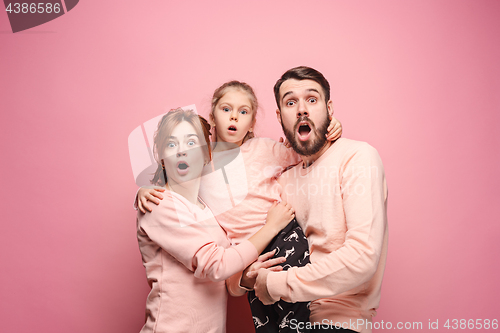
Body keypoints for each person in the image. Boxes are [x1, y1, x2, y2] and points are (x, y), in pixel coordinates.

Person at [136, 81, 343, 332]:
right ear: (212, 118)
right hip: (242, 260)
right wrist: (143, 190)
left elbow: (306, 152)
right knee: (268, 320)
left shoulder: (259, 153)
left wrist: (326, 128)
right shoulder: (185, 184)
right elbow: (217, 263)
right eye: (226, 109)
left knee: (303, 310)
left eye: (243, 112)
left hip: (280, 239)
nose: (234, 116)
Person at [248, 66, 388, 333]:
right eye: (291, 102)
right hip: (282, 322)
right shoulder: (282, 179)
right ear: (280, 117)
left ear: (329, 108)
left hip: (338, 321)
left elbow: (363, 256)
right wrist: (249, 277)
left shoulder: (358, 158)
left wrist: (276, 285)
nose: (302, 109)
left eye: (312, 100)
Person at [136, 108, 295, 333]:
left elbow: (226, 279)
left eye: (191, 143)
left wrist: (245, 279)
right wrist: (271, 227)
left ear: (206, 155)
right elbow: (216, 266)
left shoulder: (206, 208)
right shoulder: (158, 203)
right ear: (161, 157)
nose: (181, 151)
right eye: (172, 145)